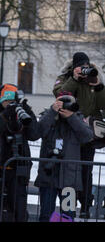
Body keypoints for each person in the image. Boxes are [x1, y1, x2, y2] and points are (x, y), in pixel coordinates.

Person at [53, 51, 105, 217]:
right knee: (69, 171)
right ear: (74, 67)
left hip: (88, 134)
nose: (83, 70)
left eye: (86, 67)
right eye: (80, 67)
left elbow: (103, 104)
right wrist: (74, 79)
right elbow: (60, 95)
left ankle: (85, 207)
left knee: (86, 171)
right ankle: (68, 208)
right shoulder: (65, 78)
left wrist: (98, 86)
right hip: (68, 134)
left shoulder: (93, 79)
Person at [0, 83, 39, 222]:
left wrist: (28, 113)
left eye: (12, 102)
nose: (10, 105)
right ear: (1, 101)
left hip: (18, 167)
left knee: (18, 206)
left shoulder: (22, 112)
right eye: (6, 102)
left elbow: (34, 134)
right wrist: (5, 115)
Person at [34, 93, 93, 221]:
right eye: (62, 102)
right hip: (48, 175)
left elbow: (87, 137)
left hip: (69, 179)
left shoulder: (77, 118)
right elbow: (37, 132)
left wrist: (71, 117)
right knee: (45, 215)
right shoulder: (48, 115)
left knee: (68, 216)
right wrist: (52, 111)